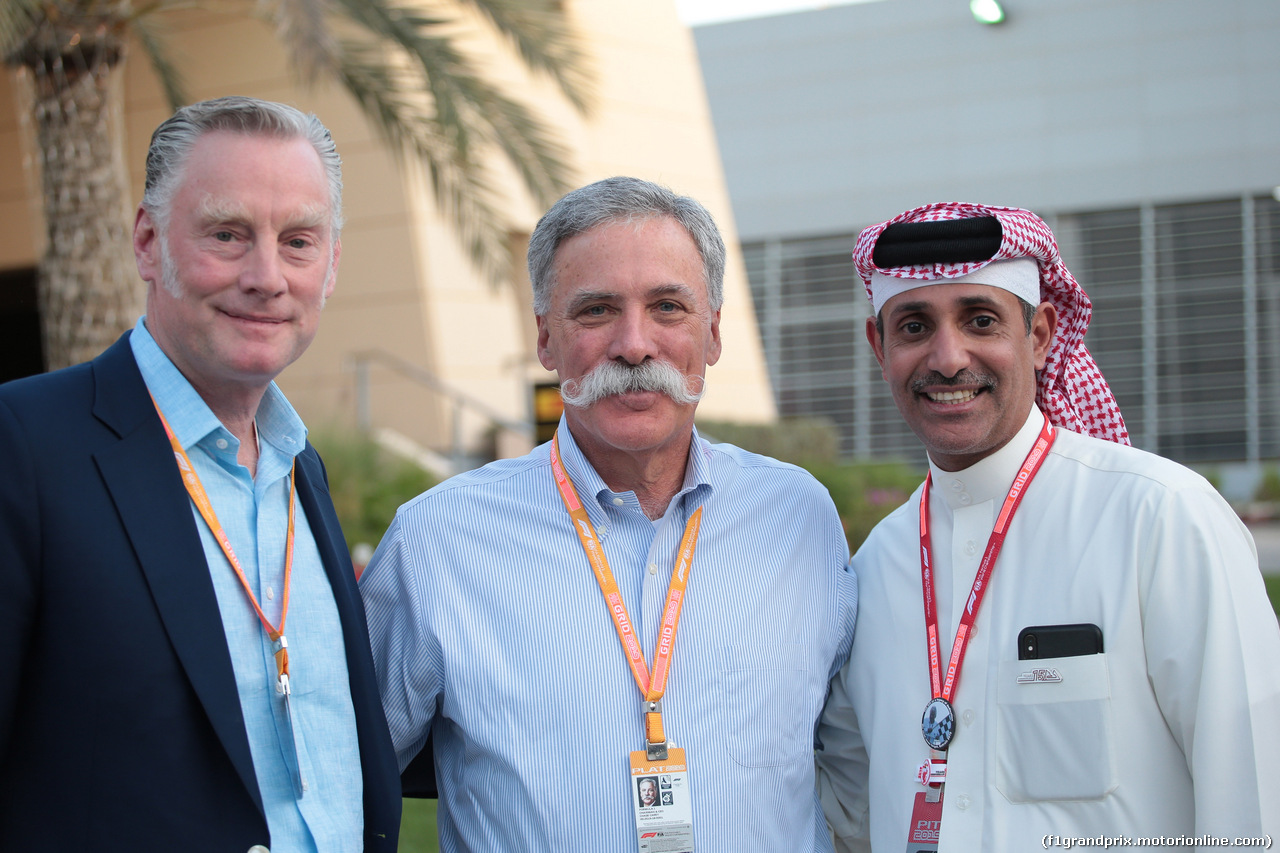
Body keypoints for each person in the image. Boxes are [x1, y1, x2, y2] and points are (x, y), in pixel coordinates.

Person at [360, 176, 857, 851]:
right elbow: (345, 782)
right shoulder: (437, 542)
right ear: (545, 339)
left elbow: (856, 756)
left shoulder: (799, 517)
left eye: (668, 307)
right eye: (596, 310)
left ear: (711, 333)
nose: (633, 344)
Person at [0, 96, 401, 851]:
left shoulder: (297, 465)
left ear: (333, 265)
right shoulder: (23, 446)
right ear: (149, 244)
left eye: (299, 242)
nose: (266, 276)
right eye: (227, 233)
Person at [815, 202, 1280, 850]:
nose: (948, 358)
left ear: (1040, 335)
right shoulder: (875, 566)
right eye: (915, 325)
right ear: (880, 345)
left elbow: (1253, 800)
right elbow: (855, 812)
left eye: (980, 319)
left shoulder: (1159, 518)